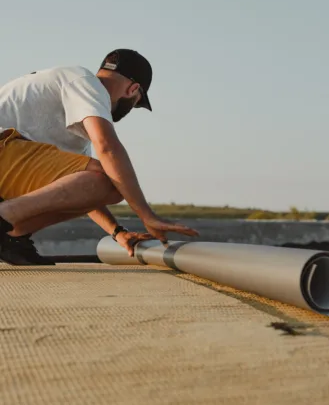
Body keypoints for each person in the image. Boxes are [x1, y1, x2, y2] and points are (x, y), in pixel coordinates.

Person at [0, 48, 198, 265]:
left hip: (9, 162)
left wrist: (118, 232)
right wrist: (147, 216)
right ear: (133, 90)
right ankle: (4, 221)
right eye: (138, 102)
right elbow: (108, 149)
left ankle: (11, 236)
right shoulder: (85, 81)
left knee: (106, 179)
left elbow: (82, 191)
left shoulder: (74, 122)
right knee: (114, 179)